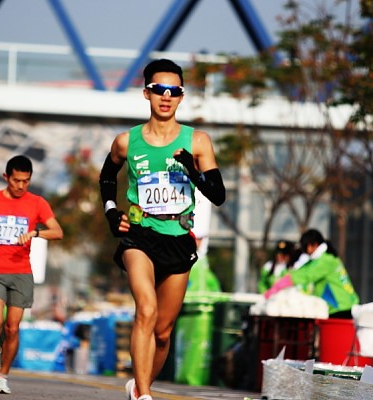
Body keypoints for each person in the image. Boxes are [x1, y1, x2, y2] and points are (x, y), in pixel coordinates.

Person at [99, 58, 226, 400]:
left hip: (178, 237)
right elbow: (107, 176)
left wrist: (193, 172)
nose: (166, 96)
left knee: (164, 332)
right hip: (139, 235)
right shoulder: (126, 142)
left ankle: (139, 387)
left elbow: (218, 195)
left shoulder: (197, 141)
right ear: (147, 93)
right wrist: (111, 211)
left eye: (174, 91)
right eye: (159, 89)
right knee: (146, 309)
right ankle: (143, 396)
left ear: (181, 96)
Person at [0, 154, 63, 394]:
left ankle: (3, 376)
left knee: (13, 329)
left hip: (21, 274)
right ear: (6, 177)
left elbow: (58, 232)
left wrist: (35, 233)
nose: (21, 186)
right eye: (16, 180)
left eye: (26, 181)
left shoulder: (37, 203)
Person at [264, 229, 359, 319]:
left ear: (312, 245)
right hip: (338, 307)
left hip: (341, 307)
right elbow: (303, 270)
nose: (305, 251)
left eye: (305, 247)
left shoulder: (326, 260)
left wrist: (282, 284)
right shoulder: (320, 259)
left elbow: (305, 275)